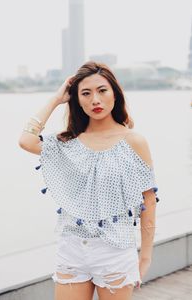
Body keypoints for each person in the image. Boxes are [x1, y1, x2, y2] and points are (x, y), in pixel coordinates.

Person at [19, 61, 159, 300]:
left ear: (115, 94)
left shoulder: (134, 142)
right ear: (77, 100)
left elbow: (149, 201)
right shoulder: (67, 143)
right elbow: (26, 140)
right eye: (86, 93)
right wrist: (56, 99)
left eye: (102, 90)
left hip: (115, 250)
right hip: (72, 248)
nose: (95, 99)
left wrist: (145, 257)